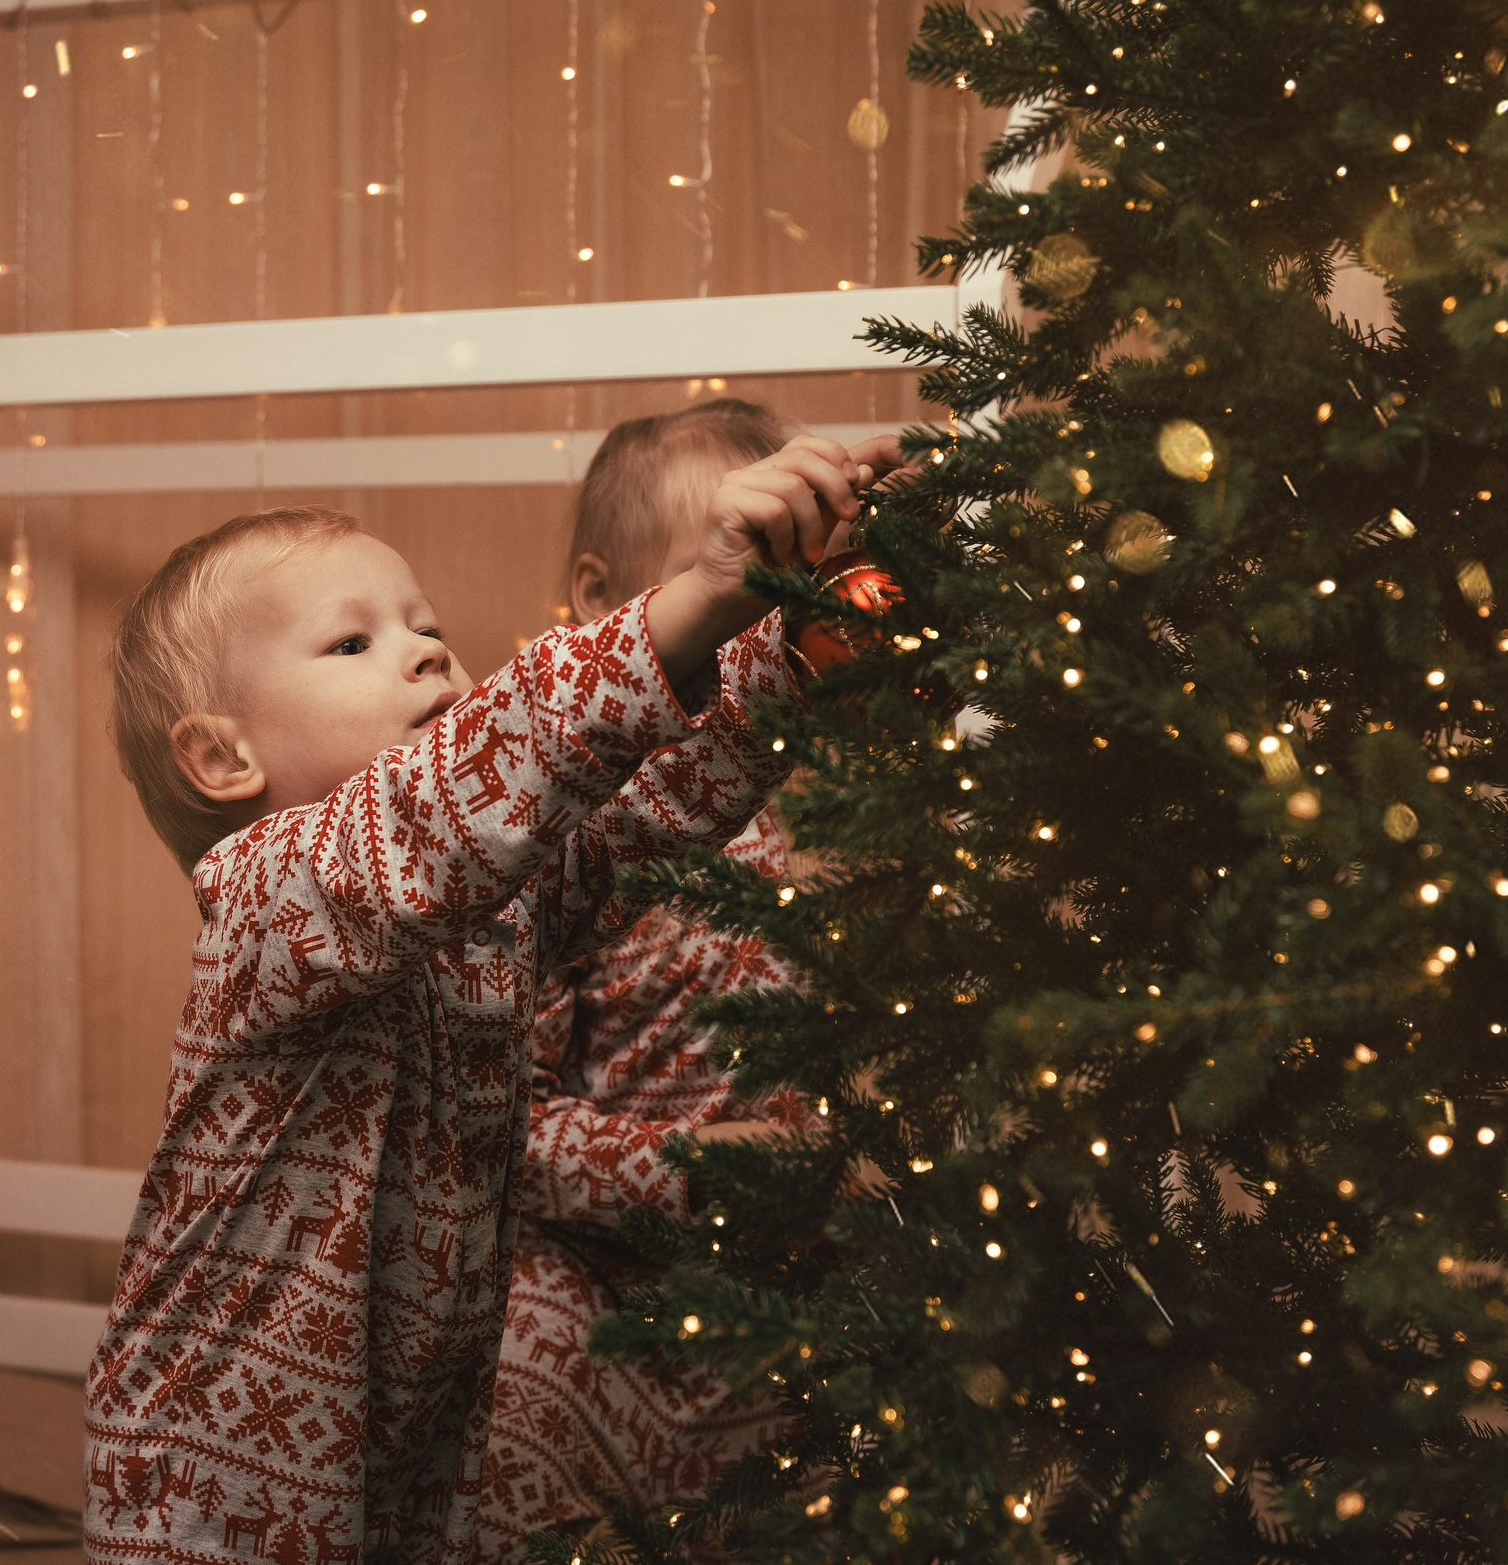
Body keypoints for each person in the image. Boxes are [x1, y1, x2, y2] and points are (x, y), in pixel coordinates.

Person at [84, 430, 902, 1565]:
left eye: (427, 628)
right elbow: (458, 792)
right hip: (213, 1486)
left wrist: (794, 645)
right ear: (222, 760)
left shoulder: (494, 913)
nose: (424, 653)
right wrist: (692, 597)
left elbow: (644, 815)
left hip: (410, 1442)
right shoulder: (267, 898)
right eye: (354, 641)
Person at [473, 400, 821, 1558]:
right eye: (726, 588)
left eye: (785, 591)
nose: (761, 629)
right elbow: (488, 1120)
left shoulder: (825, 793)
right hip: (603, 1286)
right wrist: (683, 1171)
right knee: (505, 1387)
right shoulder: (565, 828)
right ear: (598, 596)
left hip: (791, 1288)